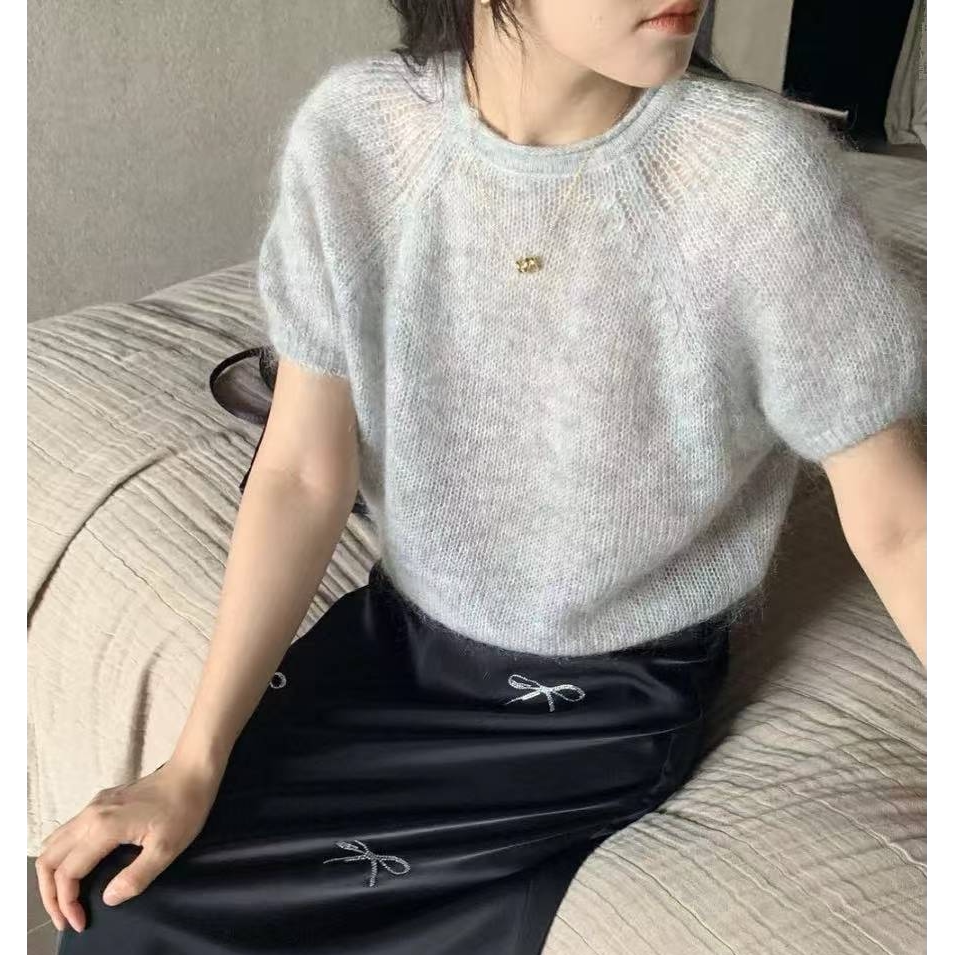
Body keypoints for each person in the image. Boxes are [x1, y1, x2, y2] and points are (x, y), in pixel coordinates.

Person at [39, 1, 926, 952]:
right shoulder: (356, 135)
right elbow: (299, 471)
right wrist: (189, 762)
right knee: (125, 909)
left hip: (601, 705)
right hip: (400, 640)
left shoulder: (754, 171)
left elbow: (897, 522)